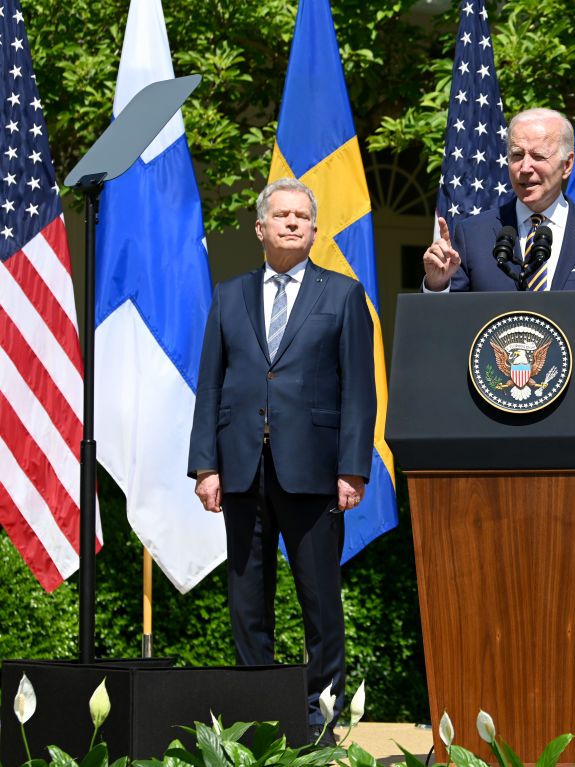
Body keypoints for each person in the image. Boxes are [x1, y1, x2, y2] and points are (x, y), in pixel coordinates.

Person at [187, 178, 375, 743]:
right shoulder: (229, 295)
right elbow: (211, 385)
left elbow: (359, 392)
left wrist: (353, 467)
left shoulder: (342, 295)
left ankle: (321, 718)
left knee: (319, 600)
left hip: (315, 472)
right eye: (282, 215)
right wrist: (206, 465)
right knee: (248, 602)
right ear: (260, 229)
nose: (292, 223)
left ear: (315, 231)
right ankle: (259, 711)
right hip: (242, 469)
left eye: (302, 217)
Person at [422, 107, 575, 332]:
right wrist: (437, 286)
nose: (525, 167)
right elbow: (443, 329)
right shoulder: (473, 234)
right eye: (517, 155)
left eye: (538, 156)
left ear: (567, 165)